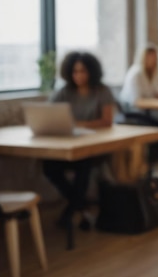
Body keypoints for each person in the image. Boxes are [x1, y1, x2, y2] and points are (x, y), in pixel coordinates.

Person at [42, 51, 115, 230]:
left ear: (91, 71)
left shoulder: (102, 91)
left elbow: (107, 121)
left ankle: (69, 213)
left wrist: (81, 124)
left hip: (95, 148)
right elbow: (49, 114)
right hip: (69, 145)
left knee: (84, 164)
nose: (79, 76)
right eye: (75, 72)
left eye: (83, 71)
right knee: (49, 166)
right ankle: (81, 206)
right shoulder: (64, 92)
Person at [119, 44, 158, 164]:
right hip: (131, 113)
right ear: (143, 57)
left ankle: (151, 161)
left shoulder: (152, 73)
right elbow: (137, 101)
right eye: (150, 57)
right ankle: (149, 162)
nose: (153, 60)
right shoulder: (136, 74)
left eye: (155, 57)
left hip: (144, 112)